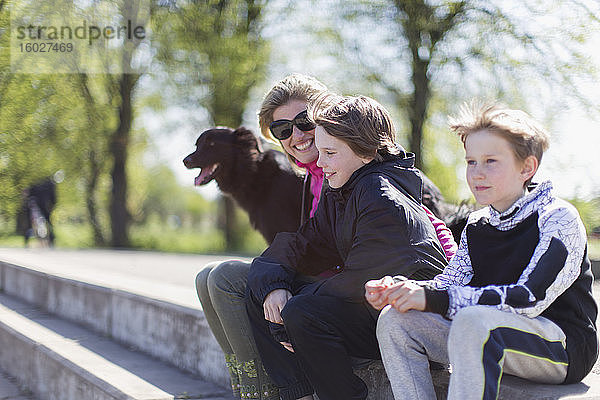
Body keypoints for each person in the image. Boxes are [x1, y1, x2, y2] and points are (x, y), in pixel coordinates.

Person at [368, 103, 598, 400]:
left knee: (474, 321)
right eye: (471, 162)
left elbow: (528, 299)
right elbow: (448, 284)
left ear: (526, 168)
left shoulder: (558, 218)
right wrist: (403, 289)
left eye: (490, 161)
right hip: (489, 333)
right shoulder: (477, 224)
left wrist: (433, 298)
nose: (477, 174)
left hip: (561, 348)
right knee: (395, 318)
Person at [245, 93, 449, 400]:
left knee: (301, 310)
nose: (320, 162)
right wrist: (273, 282)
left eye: (330, 152)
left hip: (411, 320)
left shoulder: (380, 195)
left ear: (365, 153)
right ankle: (296, 395)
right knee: (264, 288)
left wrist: (289, 306)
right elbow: (304, 243)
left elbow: (361, 281)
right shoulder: (343, 189)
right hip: (373, 309)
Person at [195, 74, 328, 400]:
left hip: (335, 286)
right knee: (206, 277)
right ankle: (247, 386)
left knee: (226, 277)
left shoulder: (341, 165)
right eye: (283, 130)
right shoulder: (309, 174)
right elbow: (297, 240)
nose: (296, 135)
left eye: (304, 121)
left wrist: (274, 280)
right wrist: (274, 277)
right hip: (316, 276)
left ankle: (262, 392)